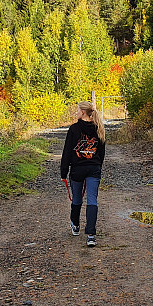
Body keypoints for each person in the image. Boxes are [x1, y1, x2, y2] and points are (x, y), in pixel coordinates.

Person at [61, 100, 106, 247]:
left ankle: (75, 225)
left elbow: (67, 152)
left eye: (77, 110)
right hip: (93, 168)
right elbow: (102, 152)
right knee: (92, 200)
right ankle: (91, 235)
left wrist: (63, 171)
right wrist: (97, 165)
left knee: (77, 198)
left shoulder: (74, 129)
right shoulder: (98, 128)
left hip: (77, 169)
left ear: (82, 112)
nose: (76, 112)